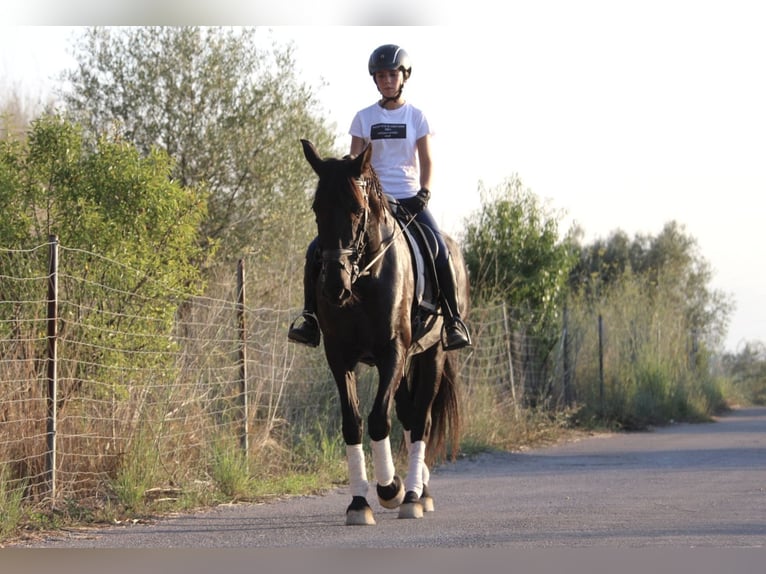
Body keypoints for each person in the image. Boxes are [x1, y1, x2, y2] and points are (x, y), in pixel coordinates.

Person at [288, 44, 471, 351]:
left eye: (392, 74)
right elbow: (355, 161)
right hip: (370, 200)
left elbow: (427, 161)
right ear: (375, 80)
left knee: (439, 250)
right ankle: (310, 318)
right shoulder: (363, 117)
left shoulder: (417, 117)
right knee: (316, 249)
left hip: (407, 199)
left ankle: (452, 321)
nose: (387, 80)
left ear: (404, 77)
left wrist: (424, 192)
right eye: (381, 75)